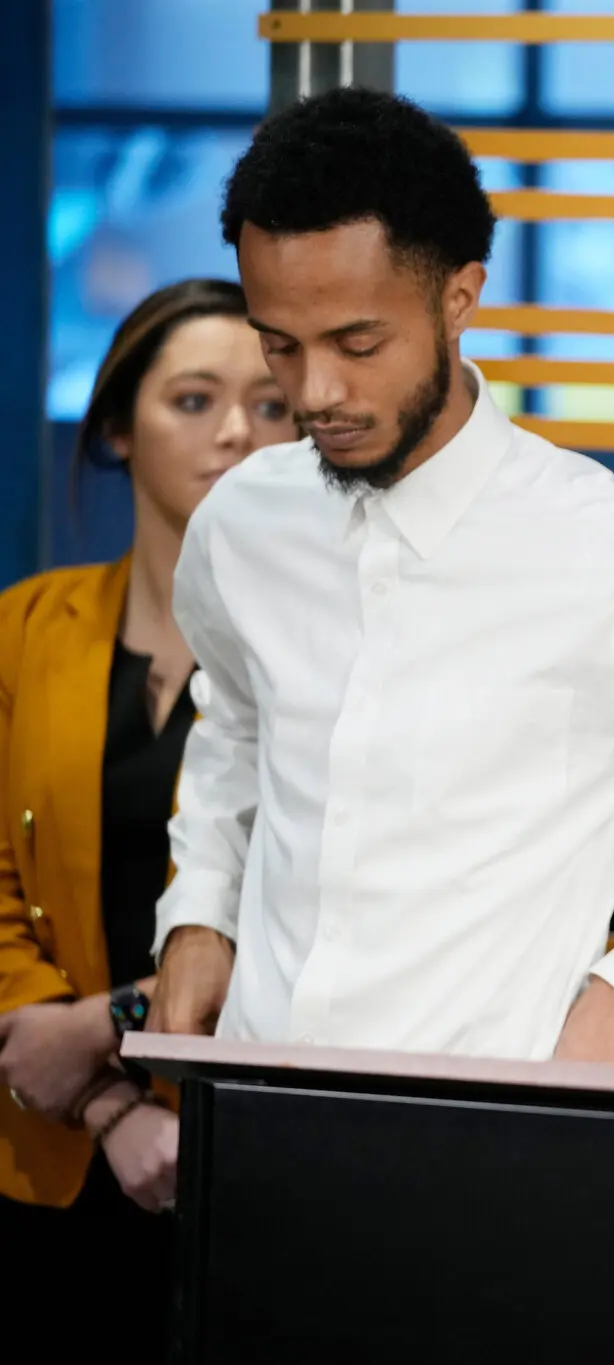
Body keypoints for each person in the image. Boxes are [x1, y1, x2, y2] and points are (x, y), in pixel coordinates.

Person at [147, 88, 614, 1066]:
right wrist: (201, 910)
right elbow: (238, 727)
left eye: (357, 343)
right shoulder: (243, 523)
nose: (313, 393)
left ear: (460, 296)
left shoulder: (611, 559)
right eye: (279, 344)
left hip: (488, 1146)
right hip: (244, 1111)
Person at [0, 278, 300, 1350]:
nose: (235, 432)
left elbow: (314, 918)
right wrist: (102, 1105)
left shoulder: (337, 656)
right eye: (193, 400)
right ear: (119, 428)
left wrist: (106, 1027)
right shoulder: (28, 629)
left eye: (271, 407)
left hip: (269, 1154)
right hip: (47, 1149)